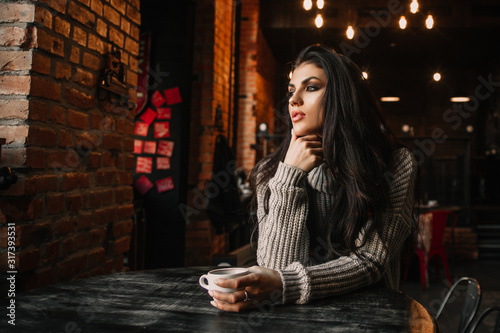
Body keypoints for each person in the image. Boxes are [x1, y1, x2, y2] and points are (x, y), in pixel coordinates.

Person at [207, 45, 417, 312]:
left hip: (368, 317)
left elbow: (371, 261)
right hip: (293, 322)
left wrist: (287, 285)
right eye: (291, 90)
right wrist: (289, 178)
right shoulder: (270, 171)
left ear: (343, 97)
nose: (294, 100)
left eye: (312, 87)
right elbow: (275, 270)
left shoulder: (394, 164)